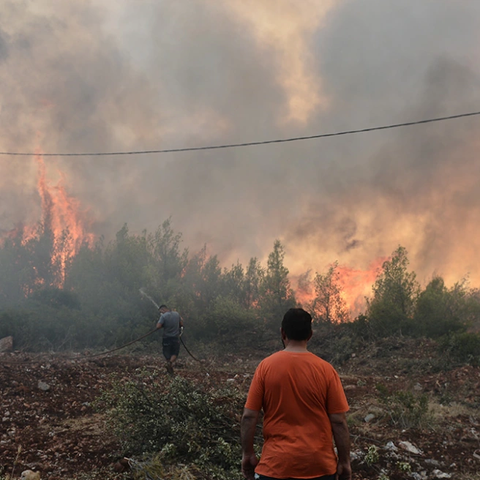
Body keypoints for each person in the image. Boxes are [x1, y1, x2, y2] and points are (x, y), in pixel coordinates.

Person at [241, 308, 351, 480]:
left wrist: (248, 454)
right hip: (320, 467)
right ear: (310, 335)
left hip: (275, 466)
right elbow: (339, 421)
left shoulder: (265, 367)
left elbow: (249, 416)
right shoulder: (326, 370)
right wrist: (344, 461)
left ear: (282, 333)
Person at [156, 304, 184, 375]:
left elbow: (158, 326)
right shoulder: (177, 314)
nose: (161, 313)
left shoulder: (163, 316)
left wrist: (164, 324)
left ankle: (169, 364)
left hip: (166, 338)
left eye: (161, 311)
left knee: (167, 353)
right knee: (175, 353)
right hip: (175, 337)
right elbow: (181, 324)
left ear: (163, 309)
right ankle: (170, 366)